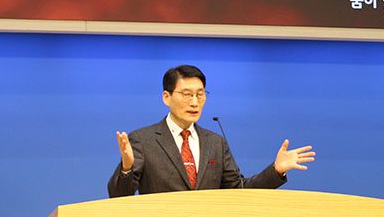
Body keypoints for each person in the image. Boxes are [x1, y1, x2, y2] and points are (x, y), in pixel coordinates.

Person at [107, 64, 315, 197]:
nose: (194, 102)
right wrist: (127, 167)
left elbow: (238, 190)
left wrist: (276, 170)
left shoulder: (215, 142)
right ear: (166, 97)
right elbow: (118, 196)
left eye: (200, 94)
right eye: (187, 94)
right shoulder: (143, 140)